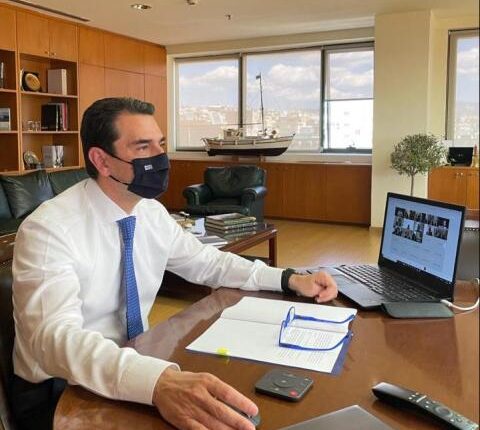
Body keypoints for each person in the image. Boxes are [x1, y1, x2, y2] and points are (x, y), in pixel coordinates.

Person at [11, 97, 338, 430]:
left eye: (161, 144)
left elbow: (207, 262)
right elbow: (54, 339)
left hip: (136, 360)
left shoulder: (150, 212)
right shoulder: (49, 229)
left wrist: (287, 279)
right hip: (60, 389)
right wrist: (157, 381)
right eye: (143, 147)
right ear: (102, 160)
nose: (159, 157)